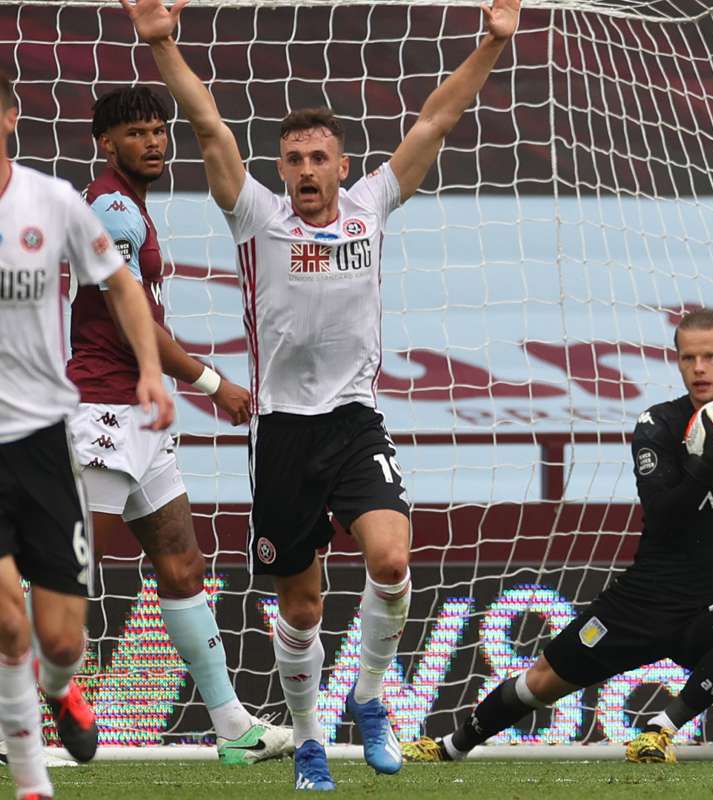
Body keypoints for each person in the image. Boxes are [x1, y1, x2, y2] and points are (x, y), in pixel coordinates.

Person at [119, 0, 521, 788]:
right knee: (301, 610)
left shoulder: (373, 206)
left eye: (317, 158)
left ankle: (369, 700)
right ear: (281, 169)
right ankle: (308, 740)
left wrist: (489, 44)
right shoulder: (256, 217)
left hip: (355, 421)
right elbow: (208, 129)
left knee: (393, 558)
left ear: (343, 167)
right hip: (281, 434)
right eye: (293, 157)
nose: (304, 169)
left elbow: (436, 121)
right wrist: (163, 44)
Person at [401, 308, 713, 764]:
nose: (698, 369)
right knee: (542, 681)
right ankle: (452, 744)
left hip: (711, 609)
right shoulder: (659, 425)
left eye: (710, 356)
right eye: (688, 358)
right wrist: (707, 462)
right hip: (643, 601)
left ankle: (660, 730)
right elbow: (663, 514)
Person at [64, 86, 291, 765]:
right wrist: (213, 384)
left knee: (183, 564)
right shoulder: (108, 207)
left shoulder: (129, 207)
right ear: (107, 143)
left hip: (138, 415)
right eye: (136, 132)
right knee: (66, 577)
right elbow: (135, 322)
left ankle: (232, 729)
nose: (155, 141)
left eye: (160, 130)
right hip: (102, 409)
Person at [0, 71, 172, 797]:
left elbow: (122, 284)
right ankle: (35, 781)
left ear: (9, 116)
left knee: (60, 640)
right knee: (9, 622)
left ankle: (63, 686)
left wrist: (155, 374)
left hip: (44, 436)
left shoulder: (54, 201)